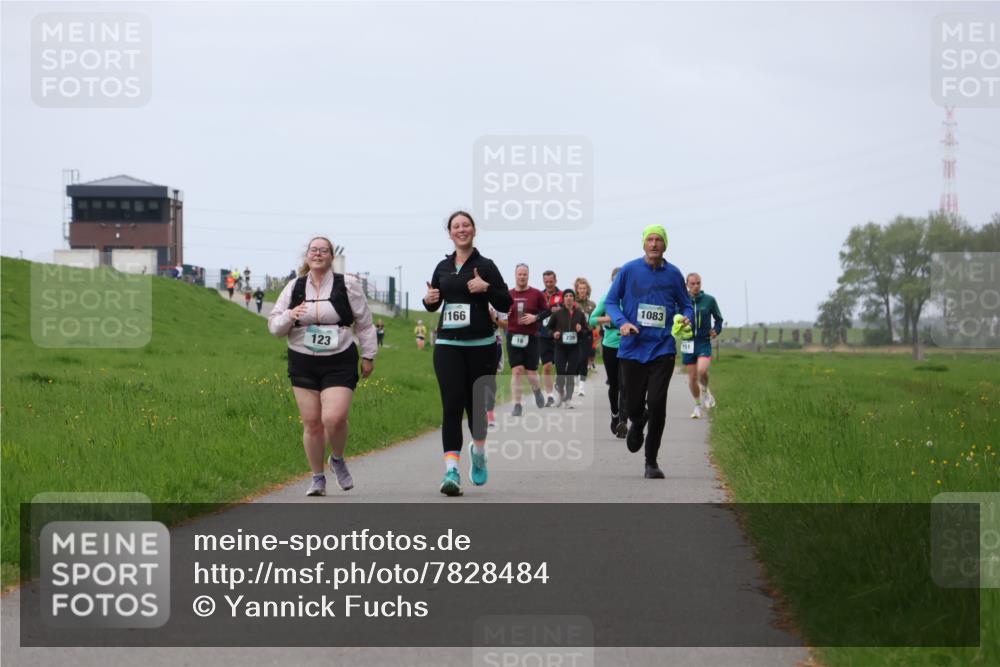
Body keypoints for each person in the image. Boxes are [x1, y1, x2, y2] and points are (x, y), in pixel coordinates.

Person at [268, 236, 377, 496]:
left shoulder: (347, 284)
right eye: (313, 250)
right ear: (307, 256)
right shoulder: (294, 286)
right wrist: (290, 315)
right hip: (302, 359)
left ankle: (336, 458)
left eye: (323, 250)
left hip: (339, 358)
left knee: (334, 418)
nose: (318, 254)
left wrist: (369, 354)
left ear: (331, 257)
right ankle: (317, 478)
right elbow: (274, 326)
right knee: (312, 423)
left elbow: (364, 323)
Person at [423, 211, 512, 496]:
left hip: (481, 345)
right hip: (448, 344)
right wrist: (428, 300)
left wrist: (486, 288)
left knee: (477, 407)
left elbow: (506, 303)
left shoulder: (486, 265)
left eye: (466, 225)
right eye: (456, 226)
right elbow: (433, 303)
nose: (461, 230)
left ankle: (479, 453)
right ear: (450, 233)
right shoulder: (442, 266)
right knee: (451, 405)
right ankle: (451, 470)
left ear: (473, 230)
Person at [605, 225, 693, 479]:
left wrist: (686, 317)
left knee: (657, 403)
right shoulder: (629, 270)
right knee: (633, 405)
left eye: (659, 240)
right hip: (632, 348)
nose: (654, 244)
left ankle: (651, 462)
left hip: (662, 348)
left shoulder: (674, 274)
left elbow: (686, 305)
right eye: (650, 240)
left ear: (665, 245)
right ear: (644, 244)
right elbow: (611, 302)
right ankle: (637, 420)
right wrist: (622, 323)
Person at [505, 263, 549, 417]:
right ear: (515, 275)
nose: (522, 277)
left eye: (524, 274)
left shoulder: (536, 294)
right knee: (517, 371)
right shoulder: (508, 294)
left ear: (528, 276)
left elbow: (547, 311)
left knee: (531, 374)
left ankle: (537, 390)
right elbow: (501, 312)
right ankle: (517, 404)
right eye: (520, 274)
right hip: (513, 336)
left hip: (531, 337)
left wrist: (535, 318)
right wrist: (505, 312)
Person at [590, 267, 626, 437]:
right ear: (612, 281)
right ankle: (615, 415)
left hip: (628, 345)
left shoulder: (631, 298)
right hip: (610, 345)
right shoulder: (607, 298)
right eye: (616, 279)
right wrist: (609, 318)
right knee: (614, 384)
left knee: (625, 384)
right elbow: (591, 320)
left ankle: (623, 421)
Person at [684, 273, 724, 419]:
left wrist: (716, 330)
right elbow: (674, 318)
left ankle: (706, 391)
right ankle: (697, 406)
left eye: (698, 283)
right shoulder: (682, 300)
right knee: (692, 378)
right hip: (688, 342)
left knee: (702, 370)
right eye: (693, 283)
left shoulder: (709, 300)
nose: (696, 286)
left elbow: (719, 319)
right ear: (687, 285)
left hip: (703, 341)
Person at [549, 288, 589, 409]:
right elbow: (549, 328)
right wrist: (554, 333)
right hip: (560, 347)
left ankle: (568, 400)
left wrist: (580, 330)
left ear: (574, 299)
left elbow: (586, 330)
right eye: (566, 296)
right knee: (560, 373)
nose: (568, 298)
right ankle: (560, 395)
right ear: (563, 299)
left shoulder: (580, 314)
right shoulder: (557, 314)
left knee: (570, 373)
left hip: (574, 348)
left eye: (571, 296)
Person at [537, 270, 564, 406]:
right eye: (546, 282)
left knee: (560, 367)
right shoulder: (539, 295)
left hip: (559, 336)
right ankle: (549, 396)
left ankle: (561, 391)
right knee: (547, 366)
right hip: (543, 335)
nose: (548, 284)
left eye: (551, 281)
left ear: (555, 281)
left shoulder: (563, 295)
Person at [573, 277, 596, 396]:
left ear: (587, 290)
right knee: (576, 359)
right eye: (580, 288)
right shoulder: (573, 303)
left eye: (584, 288)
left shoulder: (592, 305)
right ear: (577, 290)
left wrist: (591, 326)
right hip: (575, 335)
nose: (582, 290)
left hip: (587, 334)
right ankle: (575, 382)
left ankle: (581, 387)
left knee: (583, 359)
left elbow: (595, 319)